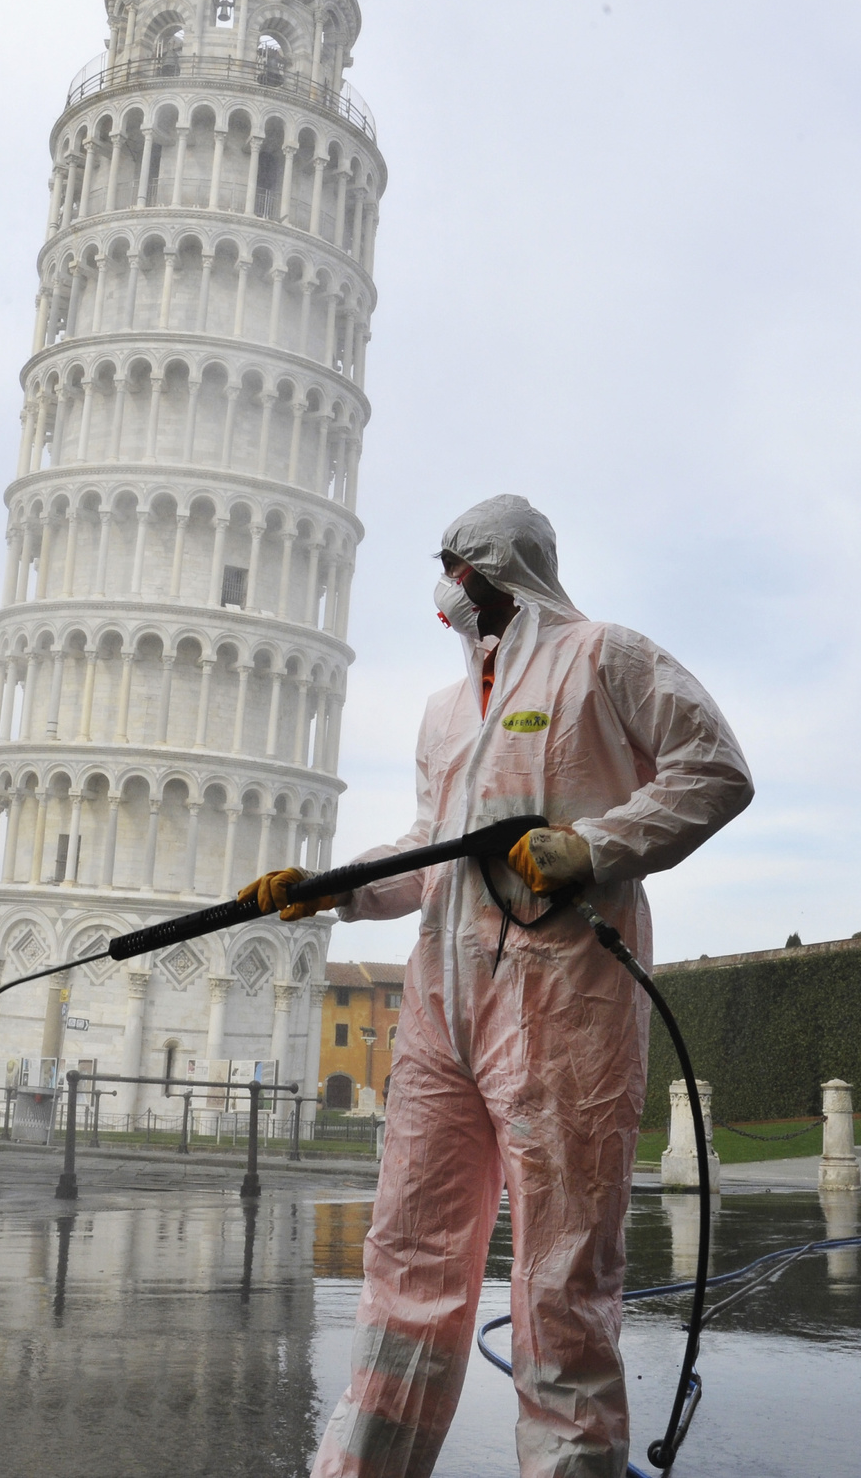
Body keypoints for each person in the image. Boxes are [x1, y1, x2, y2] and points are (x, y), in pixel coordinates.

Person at [241, 496, 753, 1478]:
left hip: (566, 1001)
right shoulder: (444, 715)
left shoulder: (606, 658)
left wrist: (594, 845)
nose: (444, 594)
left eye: (452, 569)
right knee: (408, 1260)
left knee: (561, 1275)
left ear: (491, 569)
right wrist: (328, 887)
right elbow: (434, 857)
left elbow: (716, 769)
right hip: (443, 1007)